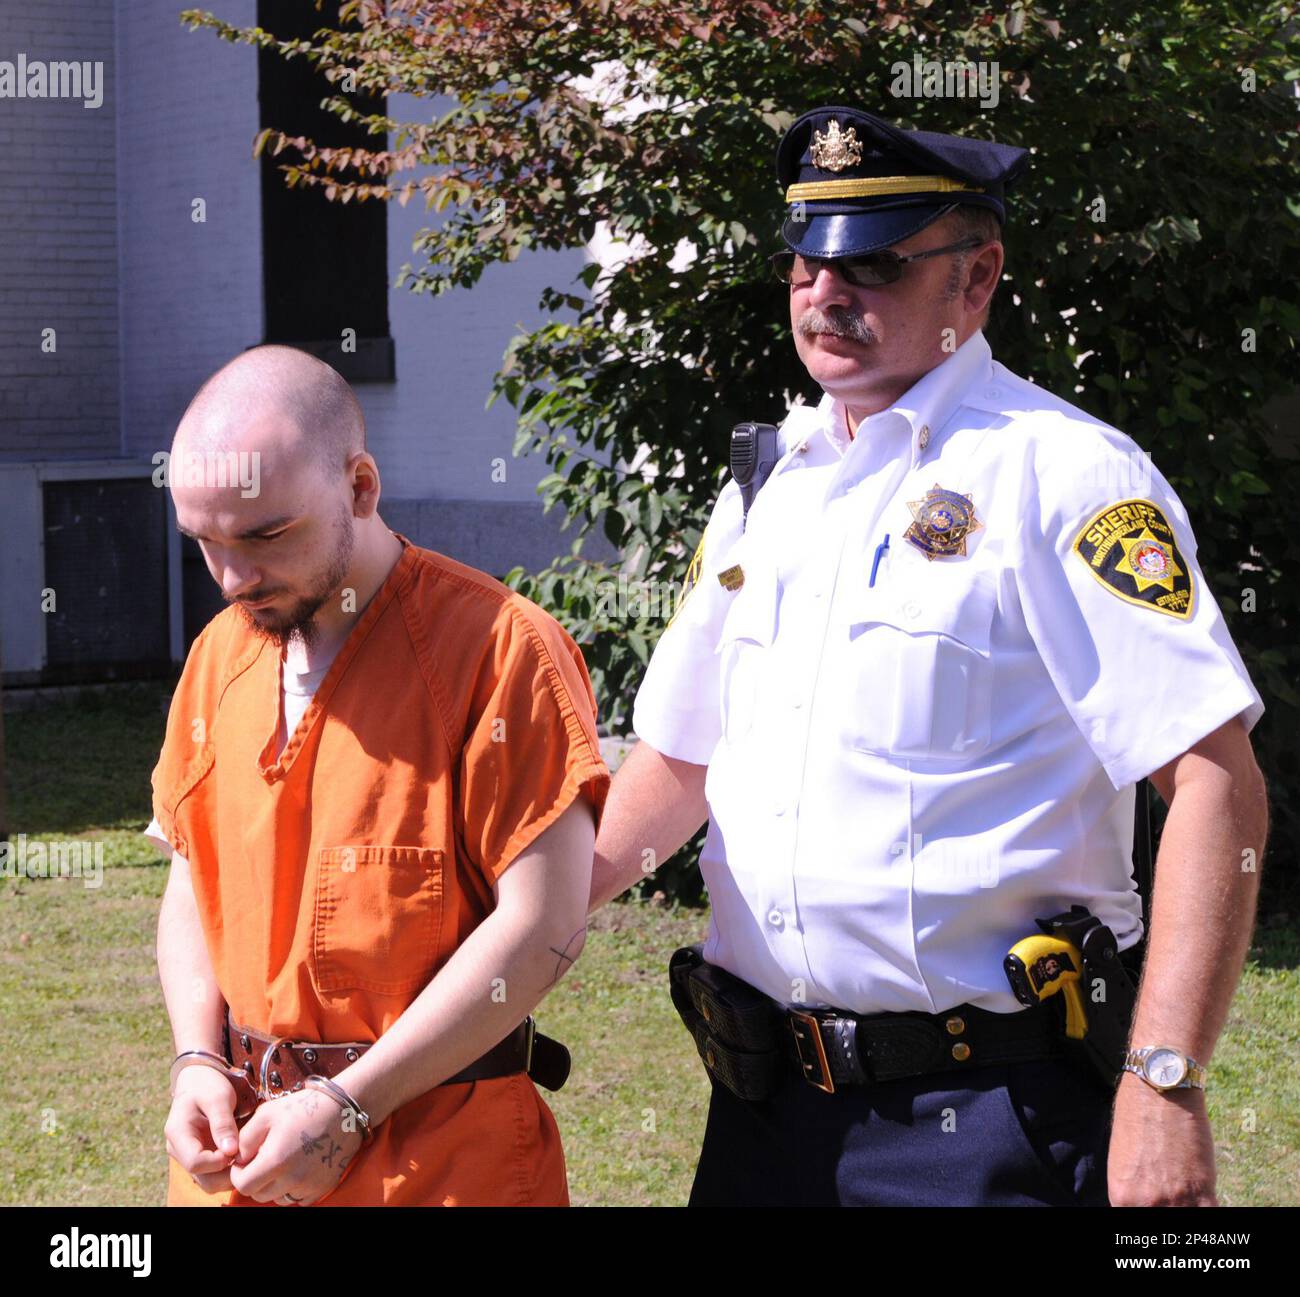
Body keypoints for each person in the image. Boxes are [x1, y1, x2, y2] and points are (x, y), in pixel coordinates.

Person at [589, 106, 1269, 1207]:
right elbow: (674, 765)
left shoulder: (1065, 476)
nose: (825, 295)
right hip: (764, 1114)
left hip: (989, 1117)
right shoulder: (771, 481)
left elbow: (1213, 784)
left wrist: (1165, 1081)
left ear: (977, 277)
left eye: (875, 266)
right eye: (806, 264)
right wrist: (509, 939)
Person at [146, 345, 609, 1206]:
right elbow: (192, 879)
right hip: (237, 1167)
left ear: (361, 487)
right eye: (205, 543)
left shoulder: (502, 654)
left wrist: (348, 1104)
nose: (233, 578)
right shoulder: (218, 657)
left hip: (440, 1169)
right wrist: (196, 1060)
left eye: (265, 535)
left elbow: (544, 927)